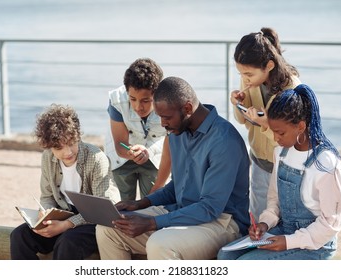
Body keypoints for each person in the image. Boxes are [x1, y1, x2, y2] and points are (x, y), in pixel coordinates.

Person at [96, 76, 251, 260]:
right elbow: (178, 186)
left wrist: (152, 222)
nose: (162, 123)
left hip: (222, 222)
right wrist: (141, 203)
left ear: (186, 108)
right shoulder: (178, 132)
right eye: (160, 116)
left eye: (166, 117)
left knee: (160, 244)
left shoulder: (224, 141)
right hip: (181, 210)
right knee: (108, 228)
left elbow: (209, 208)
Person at [218, 84, 341, 260]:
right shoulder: (281, 152)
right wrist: (264, 223)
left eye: (281, 133)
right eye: (273, 131)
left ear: (300, 126)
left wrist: (288, 242)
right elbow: (274, 200)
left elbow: (332, 223)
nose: (276, 138)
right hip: (283, 231)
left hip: (317, 244)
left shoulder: (326, 164)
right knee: (225, 255)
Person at [10, 104, 120, 260]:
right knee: (19, 236)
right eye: (58, 147)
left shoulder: (96, 158)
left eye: (70, 143)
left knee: (67, 241)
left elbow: (102, 210)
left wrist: (67, 225)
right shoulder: (48, 157)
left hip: (94, 222)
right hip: (63, 215)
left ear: (77, 136)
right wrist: (46, 213)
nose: (67, 152)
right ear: (49, 146)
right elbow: (47, 196)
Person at [230, 27, 302, 220]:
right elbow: (241, 120)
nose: (244, 78)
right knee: (258, 215)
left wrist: (266, 123)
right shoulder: (250, 76)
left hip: (284, 163)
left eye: (248, 74)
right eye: (241, 73)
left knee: (285, 215)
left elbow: (291, 138)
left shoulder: (291, 89)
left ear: (269, 65)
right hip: (259, 160)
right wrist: (239, 103)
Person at [104, 57, 171, 201]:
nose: (138, 107)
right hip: (122, 159)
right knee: (122, 208)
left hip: (156, 157)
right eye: (132, 99)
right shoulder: (116, 99)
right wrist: (131, 152)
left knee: (154, 206)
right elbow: (119, 144)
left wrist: (159, 186)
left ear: (157, 94)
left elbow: (172, 149)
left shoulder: (171, 102)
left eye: (146, 101)